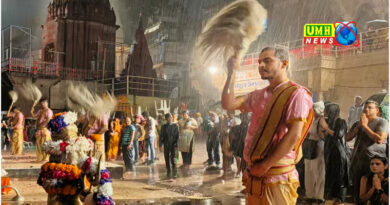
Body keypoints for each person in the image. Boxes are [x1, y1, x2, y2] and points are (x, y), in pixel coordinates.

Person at [221, 47, 314, 205]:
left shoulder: (296, 93)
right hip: (256, 173)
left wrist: (265, 165)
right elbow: (228, 103)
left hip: (277, 175)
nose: (261, 65)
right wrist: (231, 73)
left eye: (267, 60)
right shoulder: (258, 95)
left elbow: (294, 135)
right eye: (259, 62)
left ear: (284, 63)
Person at [346, 100, 389, 205]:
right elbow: (347, 138)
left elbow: (379, 139)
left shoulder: (382, 122)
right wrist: (359, 126)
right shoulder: (358, 122)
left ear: (377, 110)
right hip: (357, 162)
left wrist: (365, 126)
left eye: (370, 107)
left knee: (373, 191)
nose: (366, 109)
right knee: (358, 192)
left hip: (374, 163)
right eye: (365, 107)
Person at [323, 103, 350, 205]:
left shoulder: (341, 122)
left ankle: (341, 199)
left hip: (339, 153)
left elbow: (338, 135)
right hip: (330, 152)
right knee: (331, 175)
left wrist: (326, 128)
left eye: (328, 111)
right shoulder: (328, 122)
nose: (326, 113)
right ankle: (332, 198)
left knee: (340, 176)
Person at [304, 101, 326, 204]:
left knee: (319, 172)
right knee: (309, 171)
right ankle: (310, 194)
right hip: (309, 148)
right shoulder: (311, 120)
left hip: (318, 147)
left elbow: (323, 136)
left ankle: (319, 196)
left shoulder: (322, 121)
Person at [159, 113, 180, 179]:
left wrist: (176, 144)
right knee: (166, 158)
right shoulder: (163, 127)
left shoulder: (175, 126)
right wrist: (160, 145)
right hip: (166, 144)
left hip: (174, 144)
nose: (170, 119)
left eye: (170, 117)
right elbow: (161, 136)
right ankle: (168, 171)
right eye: (168, 118)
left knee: (174, 158)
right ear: (166, 119)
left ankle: (175, 172)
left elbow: (177, 136)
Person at [229, 112, 250, 177]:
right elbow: (232, 138)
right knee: (244, 161)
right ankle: (242, 173)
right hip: (243, 147)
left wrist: (232, 147)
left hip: (239, 147)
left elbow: (231, 138)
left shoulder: (234, 128)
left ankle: (240, 172)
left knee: (240, 160)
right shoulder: (250, 128)